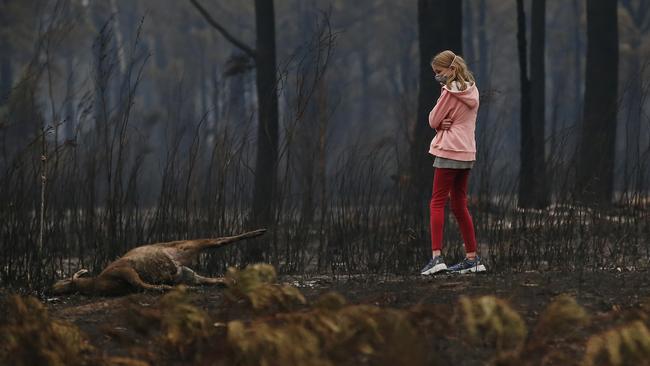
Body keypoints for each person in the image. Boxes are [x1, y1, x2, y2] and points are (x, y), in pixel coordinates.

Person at [420, 50, 486, 275]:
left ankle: (437, 257)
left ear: (451, 69)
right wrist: (445, 122)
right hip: (467, 152)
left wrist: (441, 124)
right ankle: (472, 258)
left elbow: (432, 120)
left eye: (439, 72)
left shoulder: (449, 92)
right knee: (459, 204)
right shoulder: (474, 90)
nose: (437, 76)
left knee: (437, 202)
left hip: (448, 151)